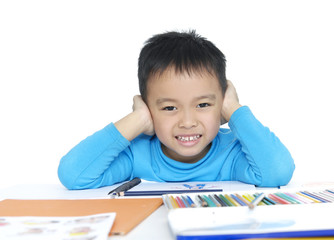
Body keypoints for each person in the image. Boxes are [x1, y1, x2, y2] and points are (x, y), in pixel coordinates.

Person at [58, 30, 295, 190]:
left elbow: (277, 172)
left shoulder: (232, 153)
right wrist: (137, 119)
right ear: (149, 110)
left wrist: (234, 109)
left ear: (220, 104)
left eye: (203, 105)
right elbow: (74, 176)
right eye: (170, 107)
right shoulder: (137, 154)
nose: (188, 121)